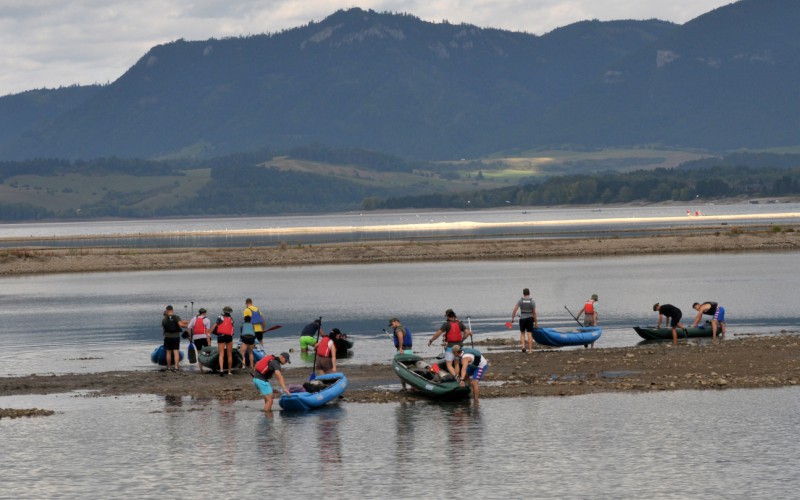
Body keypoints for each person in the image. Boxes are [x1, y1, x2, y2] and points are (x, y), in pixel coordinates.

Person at [428, 309, 471, 377]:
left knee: (449, 364)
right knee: (456, 363)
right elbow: (467, 332)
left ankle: (455, 377)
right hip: (459, 346)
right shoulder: (460, 323)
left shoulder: (446, 324)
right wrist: (463, 339)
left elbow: (438, 333)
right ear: (454, 316)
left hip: (450, 347)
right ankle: (458, 377)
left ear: (448, 316)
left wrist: (431, 340)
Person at [510, 288, 537, 353]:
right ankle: (530, 350)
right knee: (529, 333)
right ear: (529, 293)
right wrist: (536, 322)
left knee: (522, 333)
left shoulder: (520, 301)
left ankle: (523, 347)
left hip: (522, 318)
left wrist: (513, 318)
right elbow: (534, 313)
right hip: (530, 318)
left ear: (523, 294)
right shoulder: (532, 302)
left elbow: (515, 310)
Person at [161, 305, 188, 372]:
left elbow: (164, 329)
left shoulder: (164, 319)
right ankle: (176, 367)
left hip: (167, 337)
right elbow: (181, 325)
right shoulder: (176, 317)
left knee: (168, 353)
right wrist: (187, 326)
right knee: (176, 352)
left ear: (167, 310)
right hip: (176, 337)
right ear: (172, 310)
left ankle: (169, 367)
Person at [210, 306, 235, 376]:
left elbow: (215, 325)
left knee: (221, 354)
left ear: (224, 311)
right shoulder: (231, 319)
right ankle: (229, 371)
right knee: (229, 354)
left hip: (221, 336)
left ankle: (221, 370)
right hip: (229, 337)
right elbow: (232, 330)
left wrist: (210, 333)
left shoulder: (220, 317)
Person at [187, 307, 211, 372]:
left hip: (196, 338)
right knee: (207, 352)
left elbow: (188, 327)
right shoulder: (207, 320)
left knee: (199, 353)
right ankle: (208, 365)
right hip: (204, 337)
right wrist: (208, 341)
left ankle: (201, 368)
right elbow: (208, 332)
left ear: (199, 313)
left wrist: (190, 336)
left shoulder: (194, 318)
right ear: (204, 313)